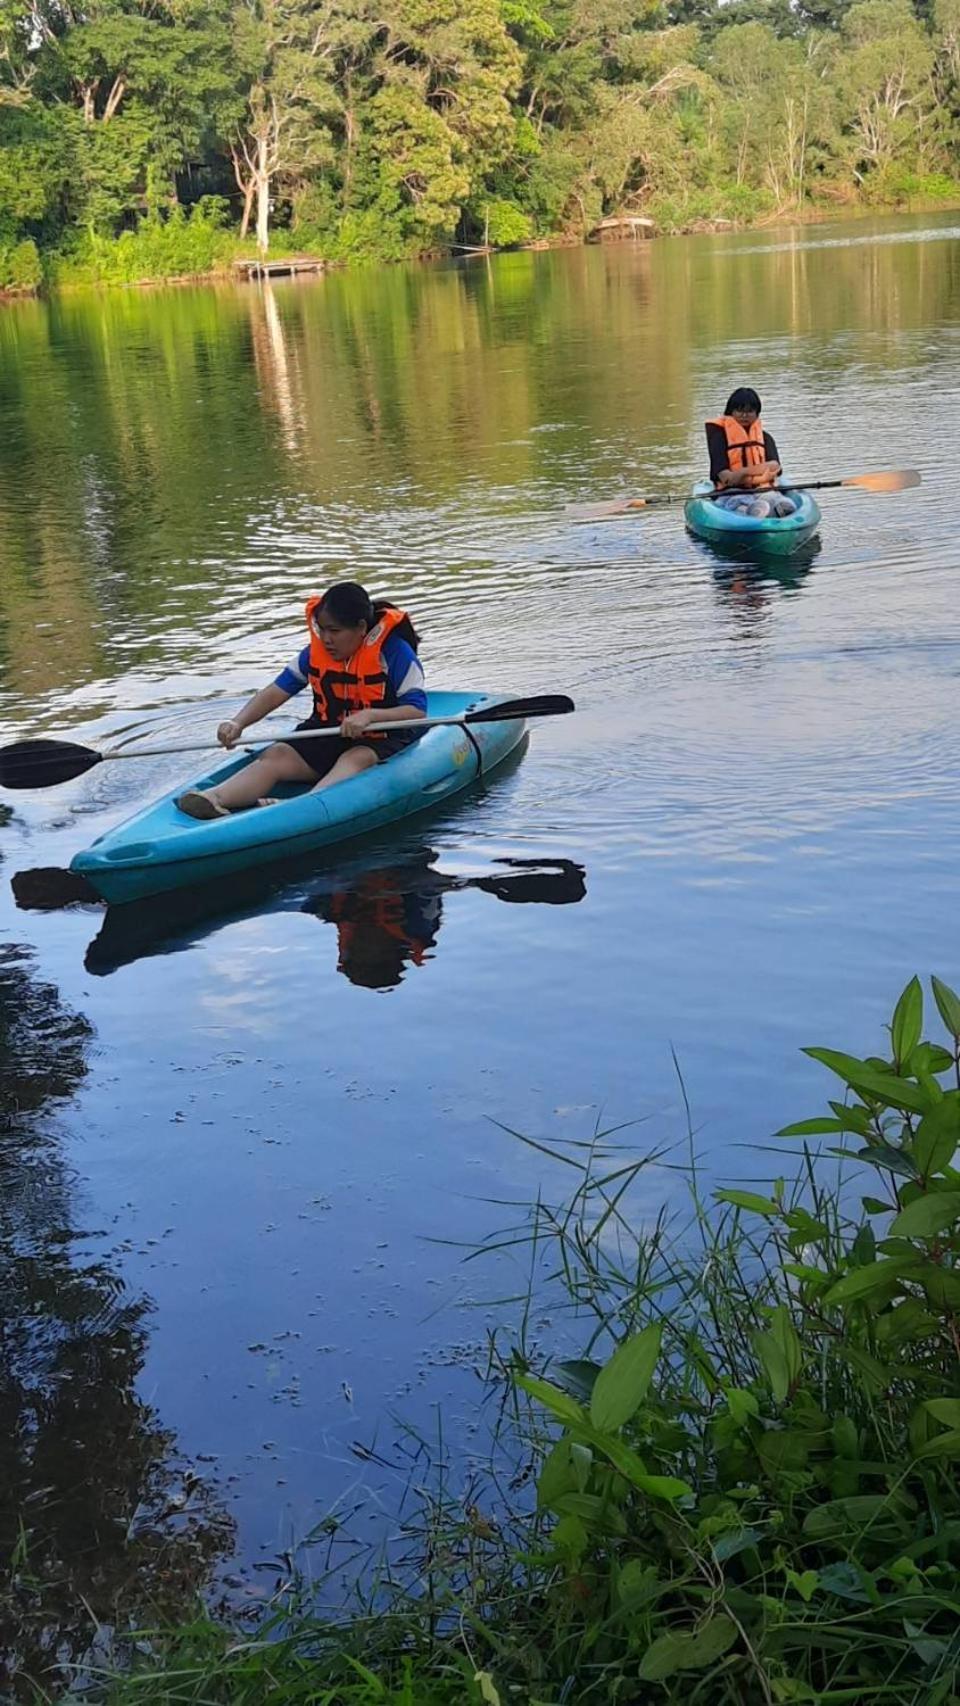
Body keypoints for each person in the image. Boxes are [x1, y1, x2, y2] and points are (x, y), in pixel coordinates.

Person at [176, 582, 427, 820]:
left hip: (382, 737)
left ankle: (303, 806)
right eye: (322, 629)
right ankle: (214, 798)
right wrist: (238, 722)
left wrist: (370, 716)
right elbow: (277, 690)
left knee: (356, 757)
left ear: (361, 627)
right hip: (330, 731)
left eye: (335, 631)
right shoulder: (315, 654)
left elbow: (417, 711)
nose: (326, 639)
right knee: (277, 753)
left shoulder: (395, 653)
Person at [706, 388, 797, 518]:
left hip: (761, 489)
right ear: (731, 412)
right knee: (736, 502)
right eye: (739, 411)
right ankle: (748, 512)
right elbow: (727, 478)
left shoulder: (765, 438)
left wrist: (742, 472)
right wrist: (758, 472)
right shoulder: (719, 438)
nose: (744, 415)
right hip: (731, 492)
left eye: (750, 411)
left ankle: (779, 509)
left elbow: (774, 466)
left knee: (774, 498)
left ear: (756, 414)